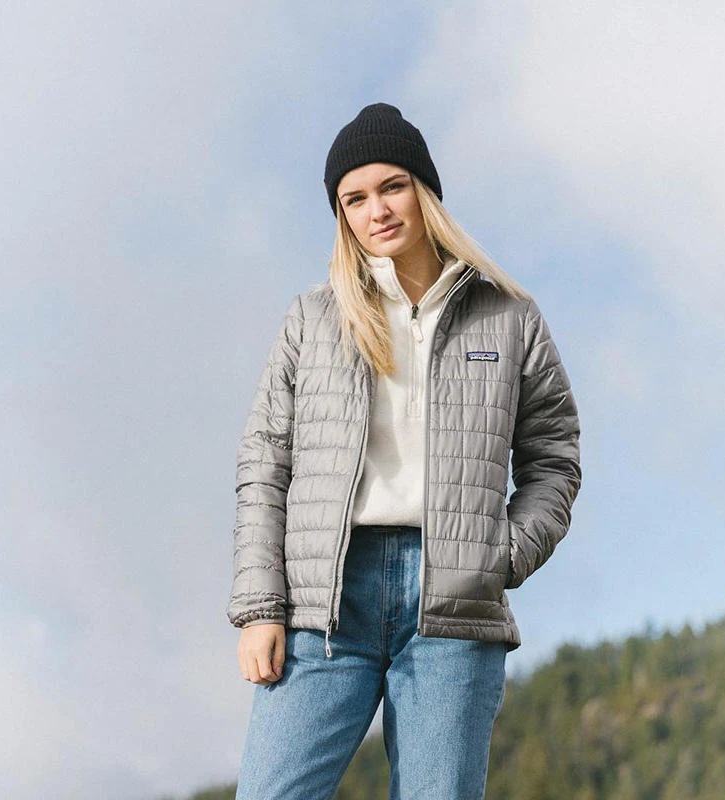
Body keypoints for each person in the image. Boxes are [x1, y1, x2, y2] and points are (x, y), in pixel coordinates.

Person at [227, 102, 581, 800]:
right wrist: (261, 607)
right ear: (341, 215)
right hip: (324, 604)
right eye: (354, 198)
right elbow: (264, 465)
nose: (377, 210)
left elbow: (554, 458)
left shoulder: (509, 317)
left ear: (425, 191)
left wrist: (499, 556)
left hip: (453, 605)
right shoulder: (313, 320)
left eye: (392, 187)